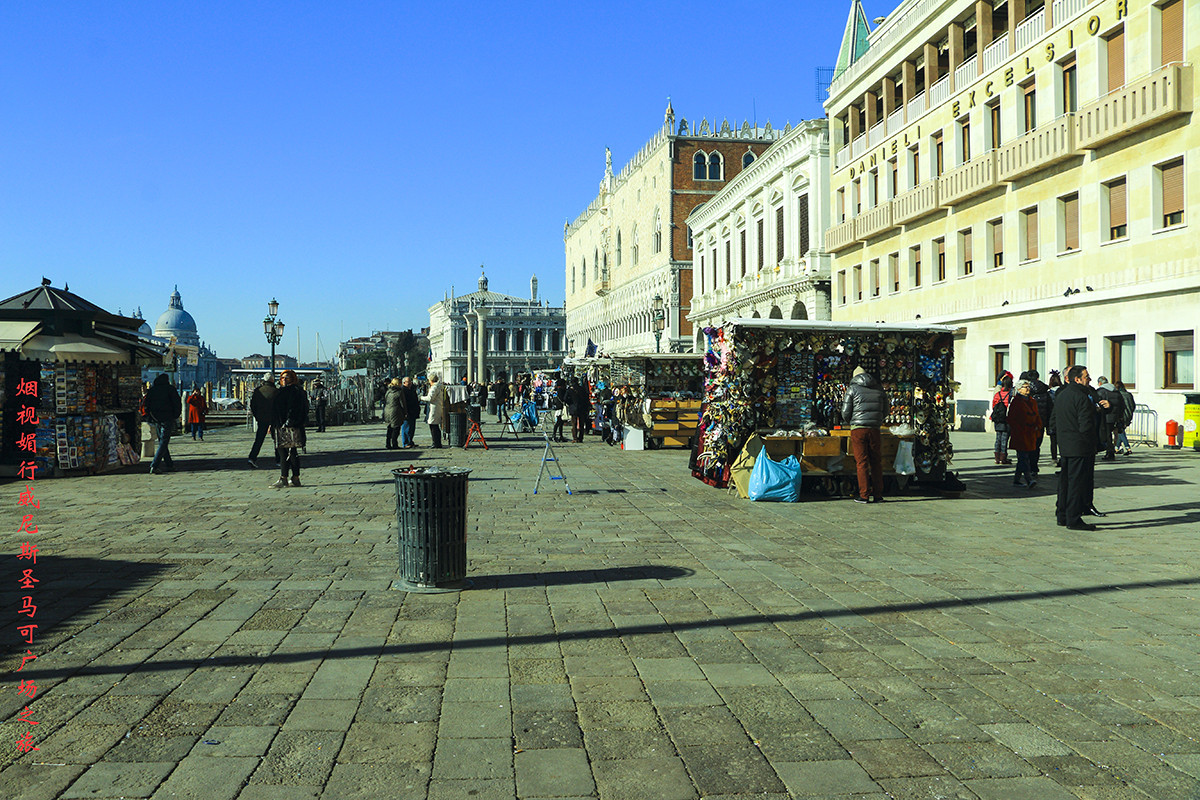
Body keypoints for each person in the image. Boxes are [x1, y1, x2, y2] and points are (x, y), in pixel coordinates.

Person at [1051, 364, 1109, 530]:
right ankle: (1073, 518)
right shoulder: (1081, 397)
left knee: (1065, 482)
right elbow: (1085, 425)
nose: (1089, 379)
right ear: (1077, 379)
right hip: (1080, 446)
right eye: (1086, 377)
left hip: (1066, 444)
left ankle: (1062, 515)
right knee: (1077, 483)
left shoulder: (1062, 395)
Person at [841, 365, 891, 504]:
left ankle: (864, 494)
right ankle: (878, 495)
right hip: (874, 428)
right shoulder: (879, 389)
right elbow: (886, 410)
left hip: (858, 429)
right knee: (876, 461)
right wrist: (877, 420)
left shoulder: (852, 389)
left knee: (862, 462)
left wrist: (852, 421)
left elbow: (845, 411)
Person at [271, 369, 308, 488]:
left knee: (289, 452)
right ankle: (291, 477)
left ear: (292, 379)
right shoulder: (281, 391)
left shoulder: (295, 392)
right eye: (282, 378)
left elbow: (296, 409)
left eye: (287, 378)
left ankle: (287, 477)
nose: (284, 380)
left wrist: (289, 423)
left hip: (289, 426)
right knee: (286, 452)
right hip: (280, 425)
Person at [1008, 379, 1043, 488]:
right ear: (1019, 389)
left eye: (1028, 387)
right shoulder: (1016, 402)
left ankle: (1016, 480)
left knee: (1024, 457)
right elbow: (1011, 419)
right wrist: (1020, 429)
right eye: (1025, 387)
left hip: (1031, 433)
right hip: (1021, 434)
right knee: (1023, 457)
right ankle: (1029, 479)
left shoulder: (1032, 401)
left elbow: (1037, 415)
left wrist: (1038, 426)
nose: (1028, 389)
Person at [145, 374, 181, 475]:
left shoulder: (152, 390)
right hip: (167, 418)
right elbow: (177, 403)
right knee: (164, 442)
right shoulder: (170, 389)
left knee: (162, 441)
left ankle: (169, 465)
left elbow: (147, 404)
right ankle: (154, 465)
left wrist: (151, 416)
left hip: (156, 418)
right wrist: (175, 415)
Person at [1022, 370, 1053, 475]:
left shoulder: (1027, 391)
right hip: (1041, 423)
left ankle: (1028, 467)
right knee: (1037, 446)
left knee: (1028, 445)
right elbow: (1049, 409)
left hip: (1029, 423)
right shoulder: (1045, 391)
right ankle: (1034, 467)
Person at [248, 375, 278, 468]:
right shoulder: (276, 391)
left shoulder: (258, 391)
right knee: (276, 440)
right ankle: (279, 459)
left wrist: (257, 416)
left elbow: (253, 405)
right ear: (272, 381)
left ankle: (252, 458)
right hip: (274, 419)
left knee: (259, 440)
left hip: (261, 419)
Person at [991, 374, 1015, 464]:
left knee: (998, 438)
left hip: (998, 419)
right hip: (1006, 419)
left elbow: (994, 405)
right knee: (1004, 439)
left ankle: (997, 458)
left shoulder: (998, 394)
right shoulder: (1010, 394)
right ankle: (1003, 457)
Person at [1095, 377, 1119, 461]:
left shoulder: (1101, 391)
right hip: (1115, 416)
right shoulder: (1115, 390)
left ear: (1100, 383)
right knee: (1112, 435)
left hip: (1105, 416)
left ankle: (1109, 452)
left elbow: (1097, 403)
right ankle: (1111, 451)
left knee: (1107, 436)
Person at [425, 373, 449, 448]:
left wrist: (421, 398)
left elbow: (430, 398)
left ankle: (436, 442)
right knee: (435, 425)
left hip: (434, 407)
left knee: (433, 425)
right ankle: (437, 442)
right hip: (439, 406)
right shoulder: (440, 386)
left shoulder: (434, 387)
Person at [1112, 381, 1136, 455]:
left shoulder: (1118, 395)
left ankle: (1127, 447)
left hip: (1121, 415)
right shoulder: (1129, 394)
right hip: (1129, 415)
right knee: (1120, 431)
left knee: (1121, 431)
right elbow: (1133, 405)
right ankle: (1116, 448)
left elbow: (1119, 406)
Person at [1046, 370, 1063, 465]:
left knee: (1053, 441)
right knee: (1061, 440)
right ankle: (1062, 457)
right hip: (1061, 418)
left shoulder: (1049, 393)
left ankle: (1054, 458)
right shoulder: (1063, 391)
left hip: (1051, 419)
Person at [567, 378, 592, 443]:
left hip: (573, 408)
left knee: (574, 424)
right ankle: (580, 438)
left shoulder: (570, 390)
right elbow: (586, 398)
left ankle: (575, 438)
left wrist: (570, 403)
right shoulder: (582, 389)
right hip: (582, 408)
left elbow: (565, 398)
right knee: (581, 423)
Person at [383, 378, 404, 449]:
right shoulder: (399, 392)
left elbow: (385, 400)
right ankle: (395, 443)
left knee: (389, 428)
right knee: (396, 428)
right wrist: (405, 412)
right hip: (395, 411)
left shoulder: (388, 391)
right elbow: (402, 403)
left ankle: (388, 443)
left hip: (387, 410)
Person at [401, 377, 420, 447]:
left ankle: (410, 441)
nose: (409, 383)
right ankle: (405, 443)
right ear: (404, 383)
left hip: (413, 411)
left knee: (412, 428)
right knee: (406, 427)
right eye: (408, 382)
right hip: (407, 411)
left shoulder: (412, 389)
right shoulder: (403, 390)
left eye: (410, 382)